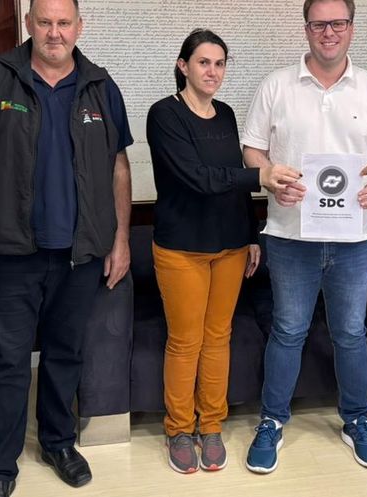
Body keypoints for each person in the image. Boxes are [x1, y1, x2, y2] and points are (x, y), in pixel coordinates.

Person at [0, 0, 133, 494]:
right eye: (45, 22)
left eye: (63, 23)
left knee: (65, 355)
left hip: (80, 255)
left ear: (79, 27)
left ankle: (57, 442)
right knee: (6, 364)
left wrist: (119, 240)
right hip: (9, 255)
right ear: (29, 24)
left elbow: (118, 168)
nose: (54, 32)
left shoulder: (100, 86)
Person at [241, 0, 367, 474]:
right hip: (290, 235)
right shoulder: (276, 85)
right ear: (306, 28)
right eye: (319, 24)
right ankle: (272, 420)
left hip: (355, 238)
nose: (328, 32)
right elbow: (252, 149)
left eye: (338, 23)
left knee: (351, 332)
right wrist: (269, 175)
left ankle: (356, 420)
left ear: (351, 27)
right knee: (288, 330)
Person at [146, 29, 300, 474]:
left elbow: (232, 181)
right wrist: (261, 176)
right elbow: (196, 178)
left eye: (219, 63)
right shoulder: (164, 114)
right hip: (182, 248)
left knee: (218, 338)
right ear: (183, 66)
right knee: (185, 341)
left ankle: (211, 425)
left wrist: (250, 234)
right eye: (203, 62)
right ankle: (179, 428)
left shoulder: (227, 113)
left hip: (230, 245)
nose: (212, 71)